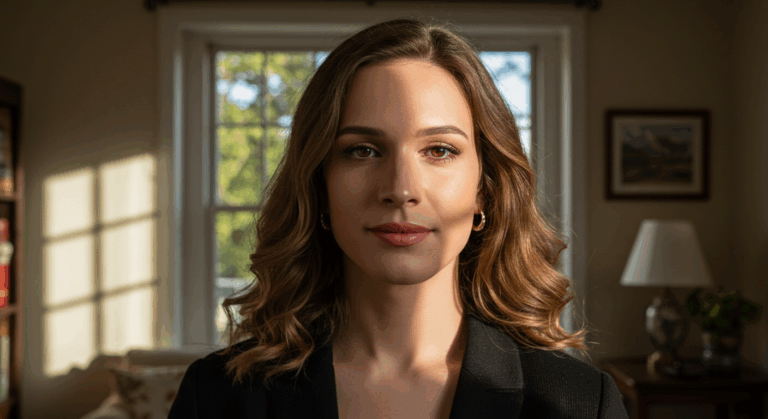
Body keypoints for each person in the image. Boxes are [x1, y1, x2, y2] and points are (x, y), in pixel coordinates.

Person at [169, 17, 628, 419]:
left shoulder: (582, 403)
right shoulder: (216, 397)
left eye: (440, 150)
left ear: (484, 191)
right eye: (362, 150)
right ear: (319, 187)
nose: (401, 189)